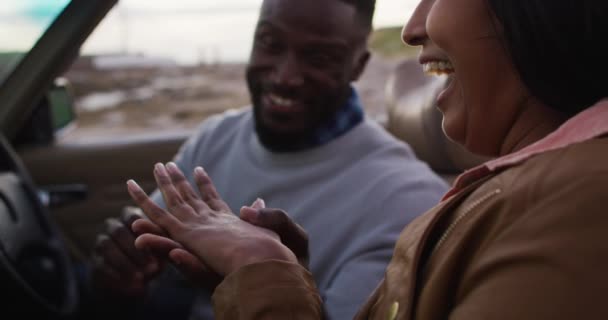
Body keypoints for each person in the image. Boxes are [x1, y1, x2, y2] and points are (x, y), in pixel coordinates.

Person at [127, 0, 608, 318]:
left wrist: (261, 276)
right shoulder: (514, 193)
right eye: (271, 44)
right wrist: (278, 278)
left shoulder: (580, 207)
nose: (414, 27)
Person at [87, 0, 448, 318]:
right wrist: (122, 272)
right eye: (270, 44)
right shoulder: (217, 136)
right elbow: (144, 262)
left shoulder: (404, 201)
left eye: (318, 57)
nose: (284, 76)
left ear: (358, 66)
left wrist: (267, 277)